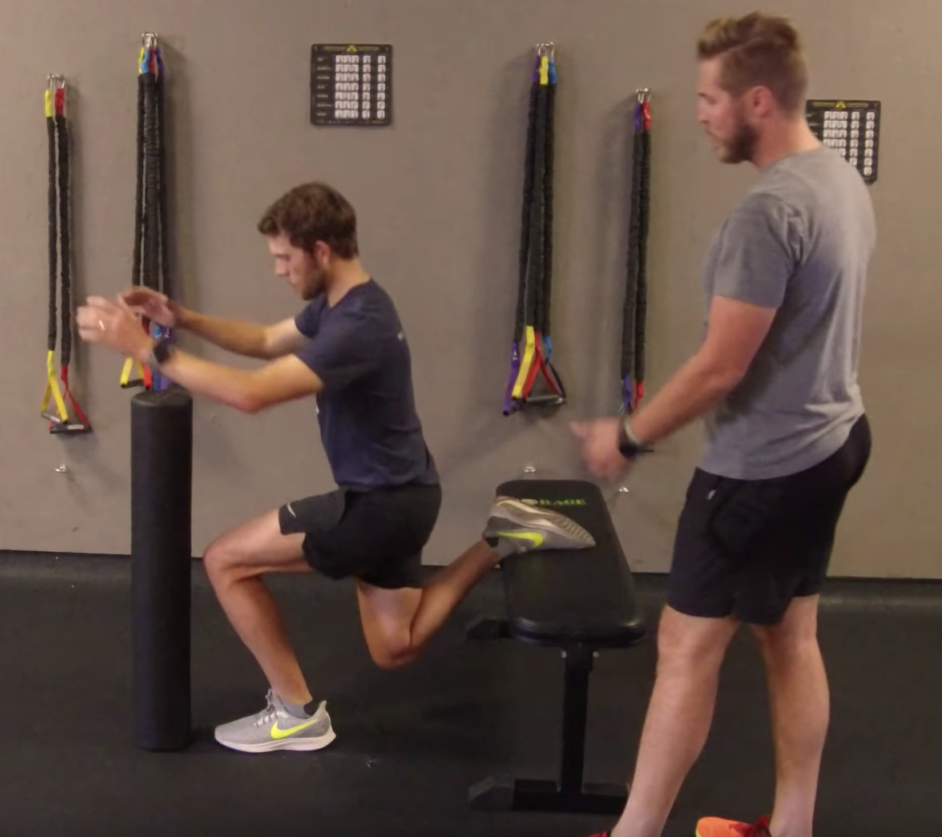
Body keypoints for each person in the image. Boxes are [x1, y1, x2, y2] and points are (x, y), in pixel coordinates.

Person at [77, 182, 595, 754]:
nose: (279, 270)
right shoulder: (349, 304)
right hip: (409, 495)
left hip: (376, 507)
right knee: (395, 646)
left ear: (320, 251)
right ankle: (501, 539)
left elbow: (250, 394)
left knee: (226, 561)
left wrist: (146, 350)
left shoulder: (357, 328)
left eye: (285, 258)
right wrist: (181, 318)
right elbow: (265, 340)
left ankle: (295, 712)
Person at [571, 13, 874, 837]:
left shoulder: (766, 213)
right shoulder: (839, 180)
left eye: (711, 98)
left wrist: (624, 436)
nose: (701, 113)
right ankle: (794, 826)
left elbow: (719, 366)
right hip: (834, 439)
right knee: (790, 634)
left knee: (686, 644)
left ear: (759, 101)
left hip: (763, 467)